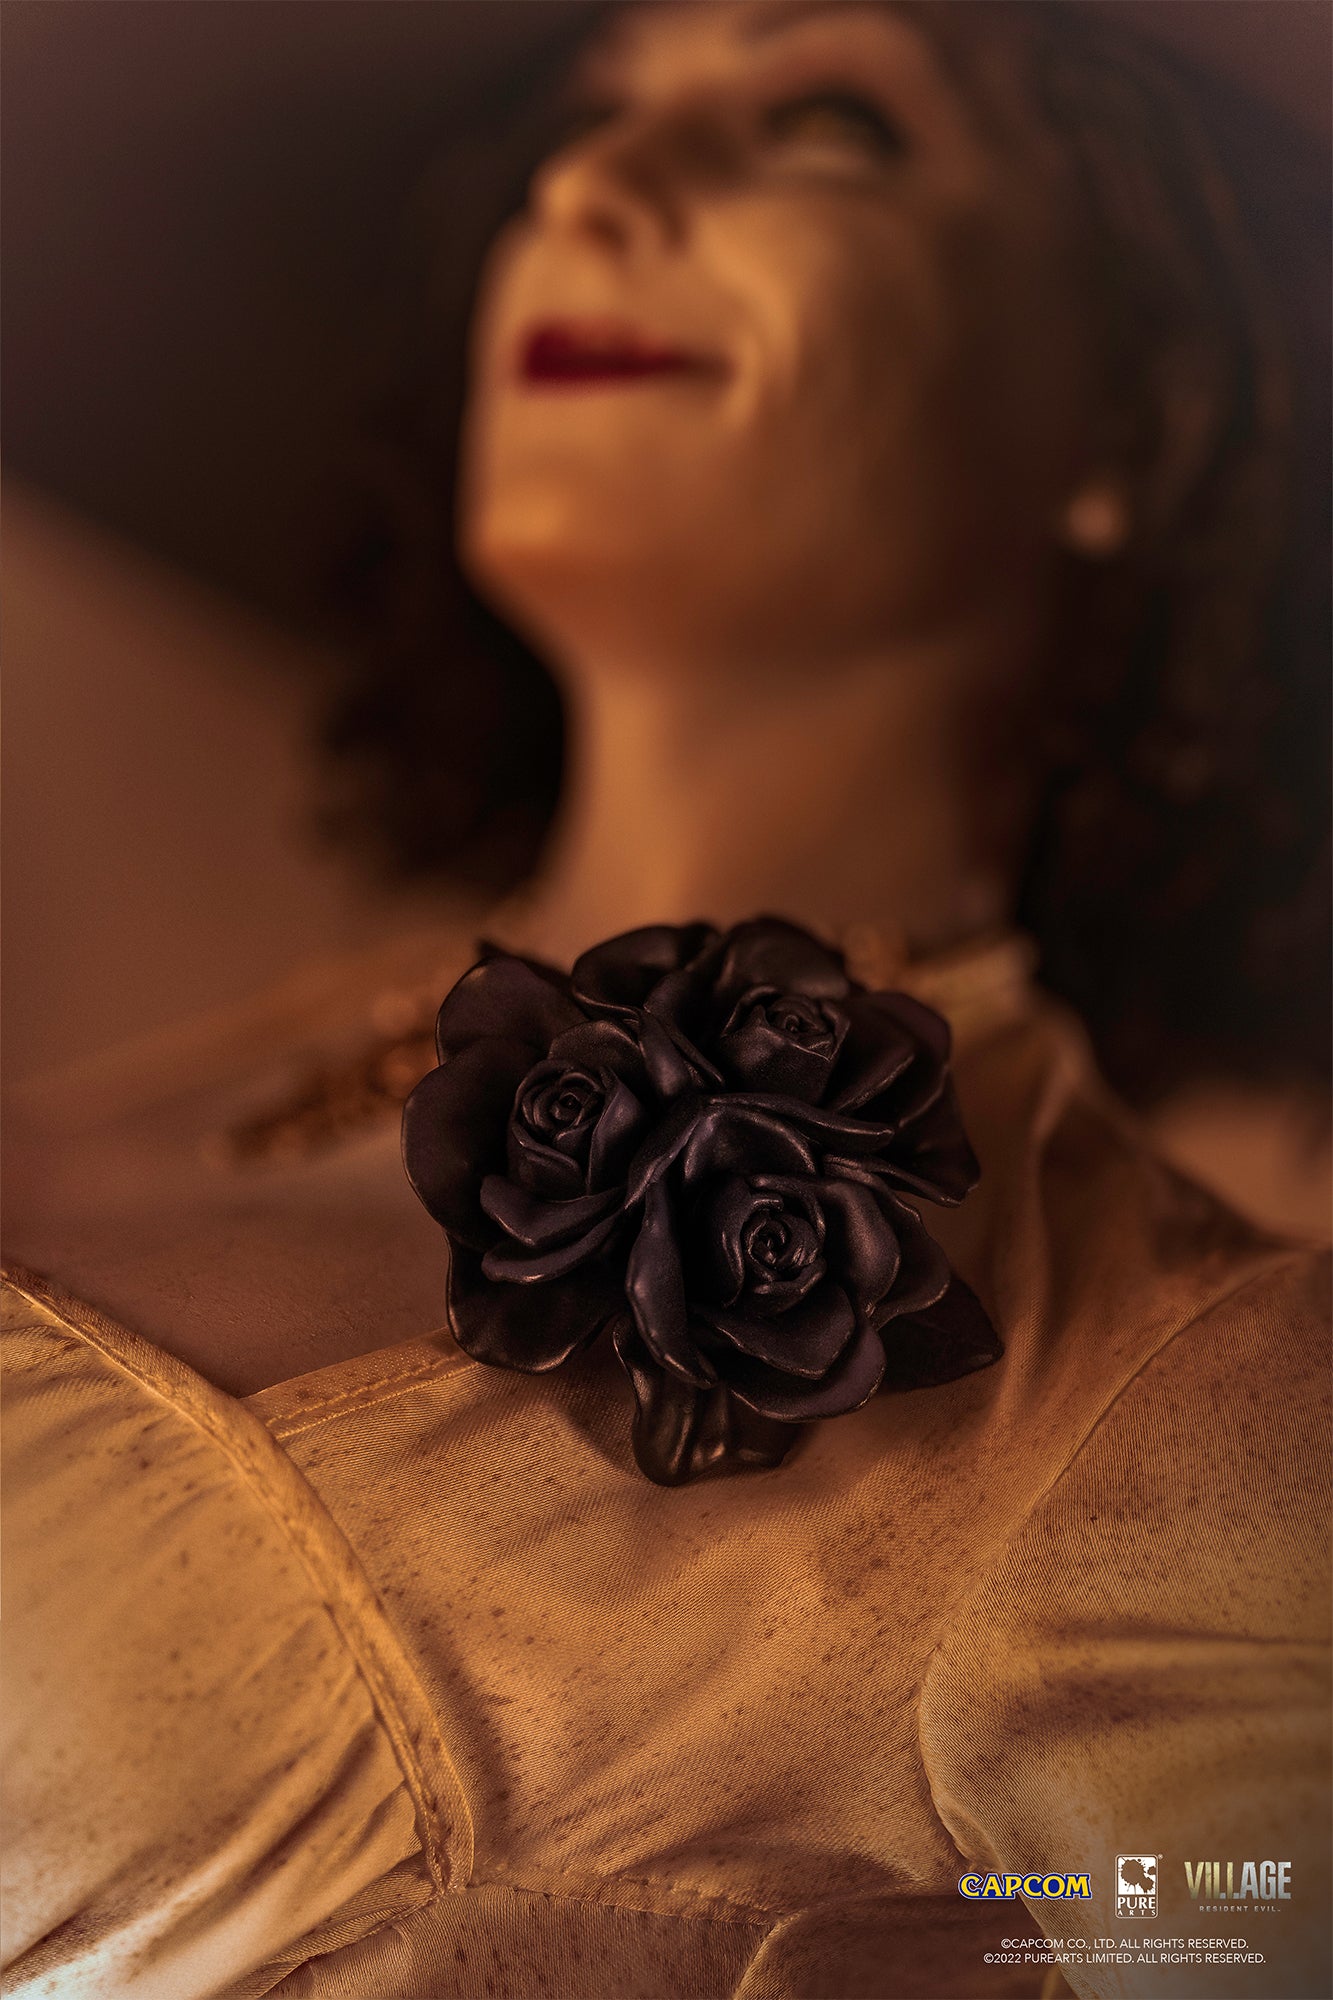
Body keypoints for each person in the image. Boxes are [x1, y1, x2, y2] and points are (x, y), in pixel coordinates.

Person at [2, 4, 1328, 1997]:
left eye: (823, 120)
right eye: (586, 116)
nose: (587, 186)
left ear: (1134, 421)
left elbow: (1240, 1922)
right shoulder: (213, 1054)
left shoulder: (1201, 1395)